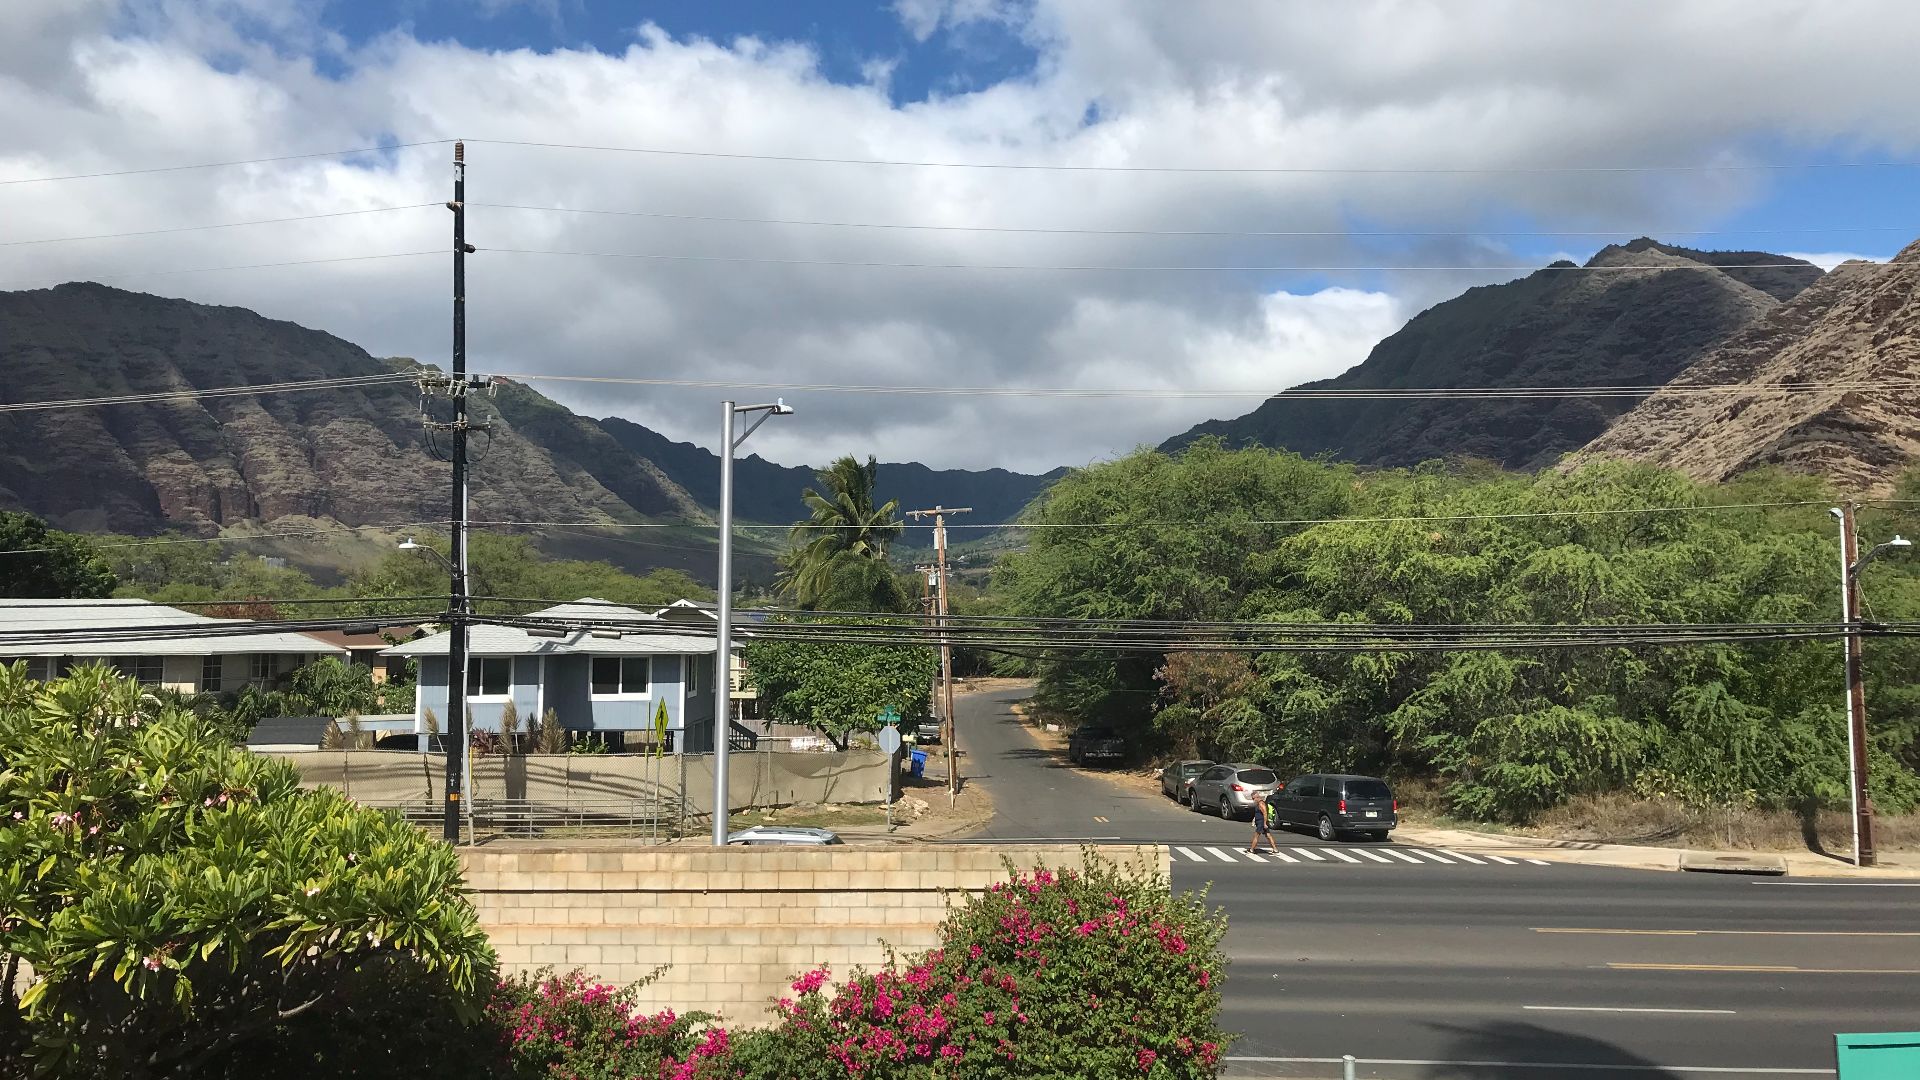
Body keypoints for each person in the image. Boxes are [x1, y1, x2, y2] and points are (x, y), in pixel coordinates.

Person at [1248, 789, 1280, 854]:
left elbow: (1265, 813)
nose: (1253, 800)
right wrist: (1254, 819)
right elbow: (1258, 813)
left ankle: (1252, 849)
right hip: (1260, 822)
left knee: (1256, 835)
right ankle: (1275, 849)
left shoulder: (1261, 803)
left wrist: (1265, 823)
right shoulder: (1258, 804)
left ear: (1257, 797)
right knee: (1268, 835)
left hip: (1261, 822)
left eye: (1253, 798)